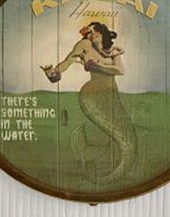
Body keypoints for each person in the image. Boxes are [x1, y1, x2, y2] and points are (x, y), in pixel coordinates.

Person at [40, 15, 136, 180]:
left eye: (91, 31)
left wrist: (99, 66)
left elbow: (120, 71)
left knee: (124, 134)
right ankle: (92, 162)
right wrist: (52, 74)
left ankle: (110, 172)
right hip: (92, 95)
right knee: (110, 130)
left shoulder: (112, 50)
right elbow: (67, 62)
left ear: (100, 33)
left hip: (111, 94)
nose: (88, 35)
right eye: (87, 32)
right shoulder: (84, 45)